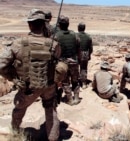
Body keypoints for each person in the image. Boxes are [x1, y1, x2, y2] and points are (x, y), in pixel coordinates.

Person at [0, 9, 60, 141]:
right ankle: (53, 137)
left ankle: (15, 134)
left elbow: (1, 65)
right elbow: (58, 64)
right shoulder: (54, 45)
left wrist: (14, 79)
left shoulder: (18, 44)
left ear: (30, 25)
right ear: (44, 24)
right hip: (48, 86)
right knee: (51, 109)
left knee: (19, 110)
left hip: (27, 88)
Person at [55, 15, 81, 105]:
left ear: (59, 25)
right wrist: (79, 59)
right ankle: (77, 98)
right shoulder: (74, 34)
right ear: (68, 24)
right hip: (74, 61)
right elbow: (78, 47)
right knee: (75, 81)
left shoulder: (56, 36)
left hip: (63, 63)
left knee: (65, 82)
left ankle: (69, 99)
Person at [77, 22, 93, 89]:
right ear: (84, 28)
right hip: (85, 54)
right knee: (83, 68)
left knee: (75, 68)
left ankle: (76, 83)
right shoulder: (88, 37)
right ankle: (84, 83)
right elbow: (91, 48)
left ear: (78, 28)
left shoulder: (75, 35)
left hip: (77, 53)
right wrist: (89, 55)